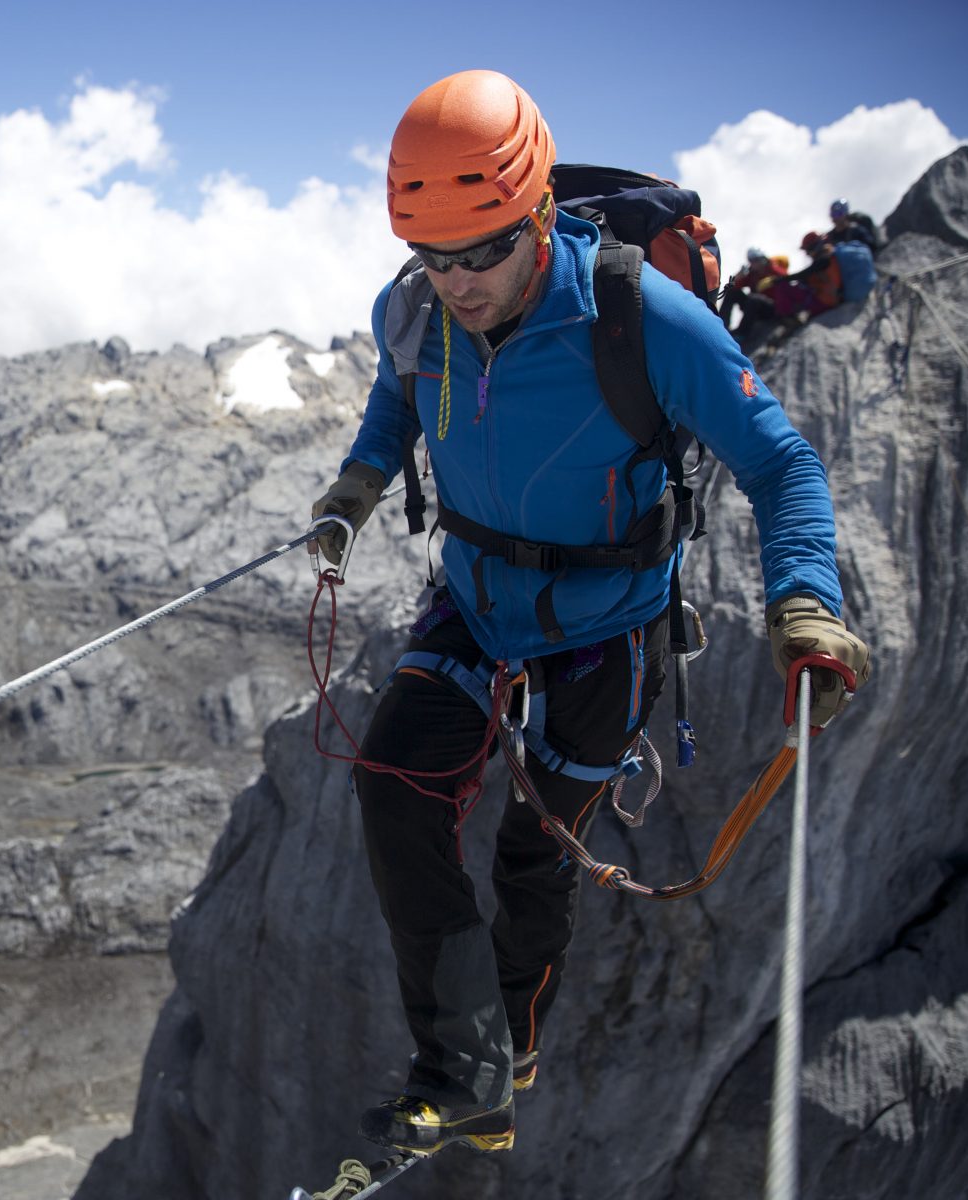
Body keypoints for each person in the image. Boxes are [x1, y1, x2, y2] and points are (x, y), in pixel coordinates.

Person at [310, 69, 871, 1158]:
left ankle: (508, 1045)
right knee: (391, 792)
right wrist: (353, 490)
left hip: (605, 626)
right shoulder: (412, 307)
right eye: (434, 254)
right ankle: (466, 1072)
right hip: (473, 602)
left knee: (538, 853)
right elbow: (396, 398)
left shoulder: (642, 318)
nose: (458, 283)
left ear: (539, 216)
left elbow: (782, 463)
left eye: (482, 252)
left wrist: (805, 602)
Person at [719, 247, 786, 342]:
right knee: (732, 293)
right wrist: (738, 277)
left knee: (754, 299)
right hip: (754, 307)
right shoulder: (753, 274)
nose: (753, 263)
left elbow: (786, 284)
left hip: (771, 309)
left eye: (755, 260)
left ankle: (741, 334)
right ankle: (722, 326)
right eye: (751, 261)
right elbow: (733, 287)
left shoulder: (774, 271)